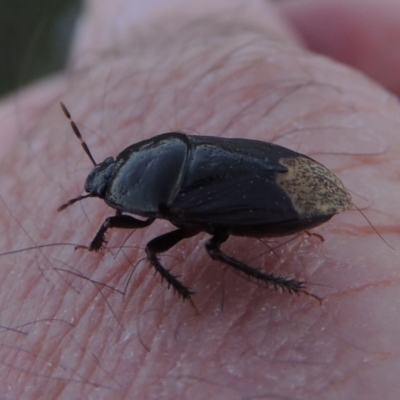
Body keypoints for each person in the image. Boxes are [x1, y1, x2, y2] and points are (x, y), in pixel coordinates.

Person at [0, 1, 399, 398]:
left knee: (201, 251)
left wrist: (100, 240)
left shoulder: (162, 202)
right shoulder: (168, 156)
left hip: (287, 199)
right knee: (204, 245)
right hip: (270, 174)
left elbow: (122, 222)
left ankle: (268, 288)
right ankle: (271, 283)